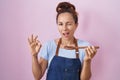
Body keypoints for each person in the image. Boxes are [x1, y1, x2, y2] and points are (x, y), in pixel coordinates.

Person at [28, 2, 98, 80]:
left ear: (76, 25)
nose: (64, 28)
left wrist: (87, 61)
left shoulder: (84, 47)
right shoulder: (49, 45)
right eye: (60, 24)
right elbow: (37, 76)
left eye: (69, 24)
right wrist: (34, 56)